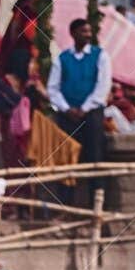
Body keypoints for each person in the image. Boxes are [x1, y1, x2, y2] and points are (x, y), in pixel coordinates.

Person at [47, 17, 111, 164]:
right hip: (67, 113)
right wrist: (67, 108)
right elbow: (53, 88)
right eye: (83, 31)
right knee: (67, 150)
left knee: (94, 148)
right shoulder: (62, 59)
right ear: (73, 33)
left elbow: (103, 85)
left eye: (89, 31)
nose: (88, 34)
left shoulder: (100, 55)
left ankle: (96, 185)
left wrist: (85, 108)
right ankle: (67, 185)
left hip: (92, 111)